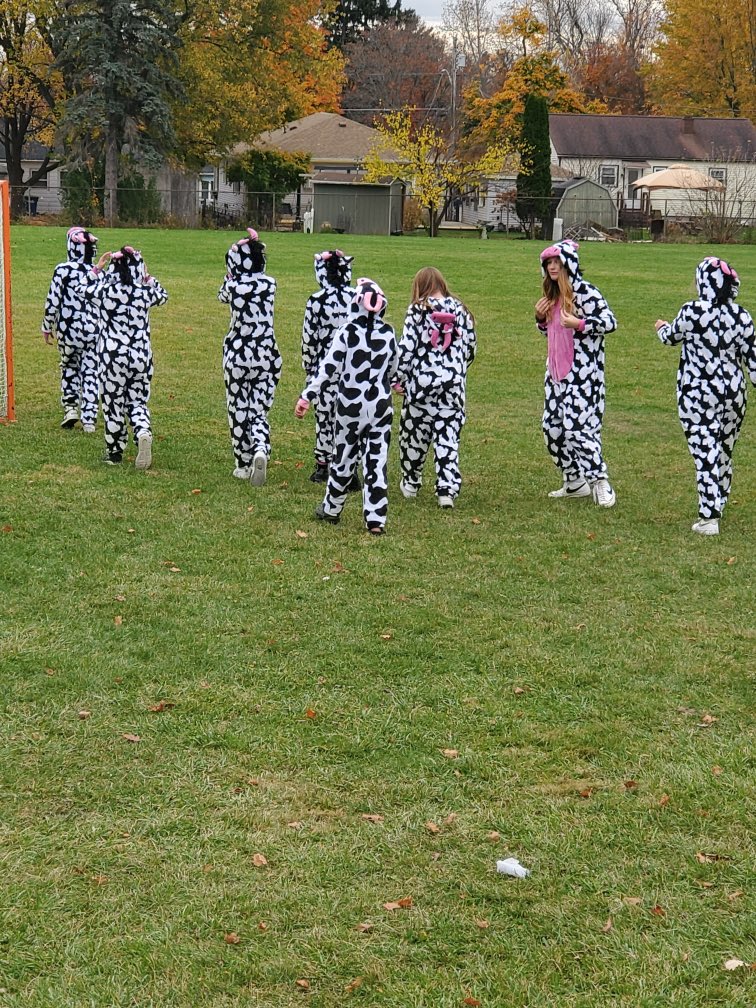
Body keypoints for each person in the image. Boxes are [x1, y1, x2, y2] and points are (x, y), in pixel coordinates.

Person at [656, 256, 756, 536]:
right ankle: (719, 500)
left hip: (698, 394)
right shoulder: (742, 315)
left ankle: (709, 517)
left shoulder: (692, 312)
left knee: (705, 451)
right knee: (724, 450)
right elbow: (753, 360)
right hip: (735, 395)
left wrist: (661, 327)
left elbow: (670, 337)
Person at [295, 278, 397, 535]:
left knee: (343, 457)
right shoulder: (388, 333)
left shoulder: (347, 331)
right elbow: (395, 369)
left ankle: (331, 508)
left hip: (350, 406)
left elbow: (328, 367)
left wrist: (307, 395)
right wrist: (395, 384)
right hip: (380, 406)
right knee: (376, 461)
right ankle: (375, 520)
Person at [534, 239, 618, 507]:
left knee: (579, 429)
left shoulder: (587, 293)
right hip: (556, 374)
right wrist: (539, 318)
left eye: (557, 262)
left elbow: (609, 322)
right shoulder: (553, 296)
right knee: (552, 428)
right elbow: (551, 332)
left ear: (569, 264)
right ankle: (574, 482)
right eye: (549, 263)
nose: (552, 267)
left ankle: (600, 481)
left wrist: (579, 323)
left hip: (582, 376)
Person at [394, 266, 476, 509]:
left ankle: (410, 481)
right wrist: (457, 370)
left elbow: (407, 348)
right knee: (448, 440)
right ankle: (446, 490)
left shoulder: (418, 310)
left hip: (421, 388)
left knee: (413, 436)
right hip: (452, 387)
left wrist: (397, 379)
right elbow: (470, 348)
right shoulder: (461, 310)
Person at [82, 246, 167, 469]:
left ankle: (115, 451)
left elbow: (82, 289)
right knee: (137, 400)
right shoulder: (143, 293)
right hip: (140, 355)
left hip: (112, 356)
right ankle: (142, 431)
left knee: (112, 403)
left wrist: (97, 270)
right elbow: (162, 295)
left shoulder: (106, 292)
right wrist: (148, 278)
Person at [219, 228, 282, 486]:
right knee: (258, 410)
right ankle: (260, 448)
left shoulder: (234, 286)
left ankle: (244, 463)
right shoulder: (270, 284)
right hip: (266, 353)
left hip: (238, 353)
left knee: (238, 409)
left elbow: (223, 294)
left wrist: (231, 269)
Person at [301, 250, 356, 483]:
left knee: (324, 419)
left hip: (324, 370)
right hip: (353, 371)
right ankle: (349, 469)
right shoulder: (356, 298)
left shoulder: (316, 301)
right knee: (350, 421)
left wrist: (309, 366)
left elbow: (309, 338)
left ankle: (323, 465)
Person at [41, 227, 101, 432]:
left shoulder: (62, 271)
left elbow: (53, 301)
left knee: (68, 367)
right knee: (91, 371)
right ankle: (90, 418)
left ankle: (70, 408)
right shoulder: (97, 273)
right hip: (93, 331)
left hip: (68, 332)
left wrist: (47, 326)